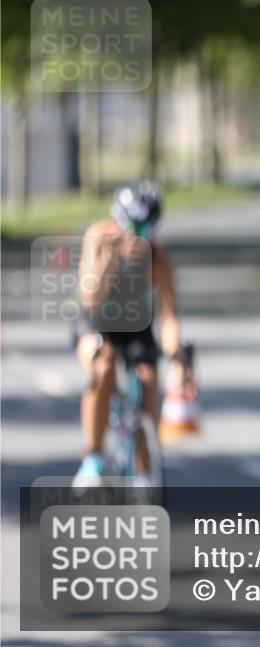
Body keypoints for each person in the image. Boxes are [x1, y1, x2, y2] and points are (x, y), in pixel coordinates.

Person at [71, 181, 187, 489]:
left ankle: (144, 468)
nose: (136, 238)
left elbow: (170, 315)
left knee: (148, 379)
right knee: (103, 367)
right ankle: (92, 458)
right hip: (97, 320)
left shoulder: (159, 260)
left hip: (136, 324)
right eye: (131, 227)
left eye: (144, 230)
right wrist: (111, 259)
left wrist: (177, 357)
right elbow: (89, 297)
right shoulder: (98, 237)